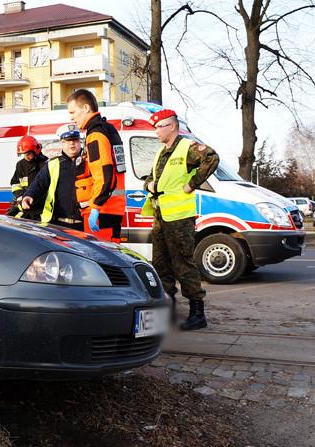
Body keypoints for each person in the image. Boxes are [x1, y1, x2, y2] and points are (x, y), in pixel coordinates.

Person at [143, 108, 219, 330]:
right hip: (160, 217)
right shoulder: (161, 152)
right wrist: (149, 184)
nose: (155, 131)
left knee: (183, 264)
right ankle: (168, 309)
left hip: (180, 219)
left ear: (172, 126)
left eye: (159, 127)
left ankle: (197, 313)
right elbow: (151, 177)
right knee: (161, 265)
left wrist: (192, 183)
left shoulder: (187, 147)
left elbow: (212, 158)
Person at [66, 89, 126, 241]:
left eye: (73, 112)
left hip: (102, 210)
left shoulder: (95, 135)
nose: (71, 118)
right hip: (110, 209)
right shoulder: (107, 129)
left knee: (101, 260)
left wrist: (95, 207)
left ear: (86, 108)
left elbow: (104, 175)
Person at [21, 124, 87, 230]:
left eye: (75, 140)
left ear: (80, 142)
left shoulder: (89, 162)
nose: (72, 144)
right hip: (58, 225)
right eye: (67, 140)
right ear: (62, 142)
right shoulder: (53, 164)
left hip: (84, 224)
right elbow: (38, 184)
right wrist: (29, 196)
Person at [7, 135, 47, 220]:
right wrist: (21, 197)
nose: (26, 157)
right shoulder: (20, 165)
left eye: (28, 153)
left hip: (41, 209)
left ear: (36, 150)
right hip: (24, 206)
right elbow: (15, 184)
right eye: (23, 154)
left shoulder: (46, 164)